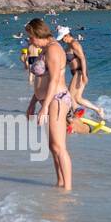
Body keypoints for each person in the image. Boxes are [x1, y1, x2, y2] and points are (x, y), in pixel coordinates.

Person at [25, 18, 72, 191]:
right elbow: (41, 82)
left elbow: (53, 81)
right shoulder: (45, 49)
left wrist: (44, 108)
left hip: (57, 99)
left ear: (38, 34)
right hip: (47, 100)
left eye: (30, 37)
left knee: (59, 147)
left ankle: (67, 189)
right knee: (53, 146)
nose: (29, 41)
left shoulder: (53, 50)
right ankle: (59, 183)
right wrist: (33, 103)